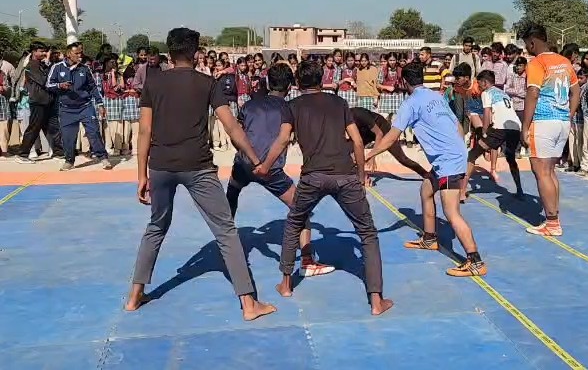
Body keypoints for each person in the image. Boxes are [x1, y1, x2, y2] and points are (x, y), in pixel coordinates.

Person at [125, 27, 276, 321]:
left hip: (161, 165)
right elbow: (231, 127)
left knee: (156, 226)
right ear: (195, 54)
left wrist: (141, 174)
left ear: (169, 53)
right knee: (225, 230)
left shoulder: (154, 83)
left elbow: (144, 130)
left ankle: (134, 296)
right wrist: (255, 158)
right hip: (198, 166)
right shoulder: (208, 83)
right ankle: (248, 304)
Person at [259, 60, 393, 316]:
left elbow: (283, 139)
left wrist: (265, 165)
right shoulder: (339, 103)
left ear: (298, 83)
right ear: (322, 79)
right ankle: (377, 300)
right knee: (367, 233)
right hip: (345, 174)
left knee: (294, 223)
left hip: (313, 176)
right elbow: (357, 141)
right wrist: (361, 175)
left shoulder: (292, 107)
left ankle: (286, 284)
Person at [366, 62, 487, 278]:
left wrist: (368, 155)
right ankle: (430, 238)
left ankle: (475, 261)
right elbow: (458, 126)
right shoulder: (436, 96)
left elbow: (391, 137)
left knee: (451, 212)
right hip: (451, 156)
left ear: (404, 81)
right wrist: (456, 149)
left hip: (448, 161)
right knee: (426, 190)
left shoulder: (410, 103)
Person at [226, 63, 335, 277]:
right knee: (301, 209)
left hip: (244, 163)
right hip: (270, 169)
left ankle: (226, 244)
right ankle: (307, 261)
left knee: (231, 196)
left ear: (268, 83)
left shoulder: (249, 105)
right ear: (290, 86)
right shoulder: (288, 108)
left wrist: (245, 154)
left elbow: (235, 134)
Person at [520, 24, 579, 237]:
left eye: (526, 45)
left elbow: (533, 93)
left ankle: (552, 223)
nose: (526, 49)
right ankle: (554, 217)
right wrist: (568, 115)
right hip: (562, 121)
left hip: (543, 121)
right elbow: (575, 91)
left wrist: (524, 126)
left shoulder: (536, 63)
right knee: (550, 171)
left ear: (532, 42)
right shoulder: (564, 62)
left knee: (541, 172)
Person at [460, 70, 524, 202]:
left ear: (484, 82)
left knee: (472, 155)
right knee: (510, 158)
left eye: (479, 84)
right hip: (515, 128)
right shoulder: (503, 93)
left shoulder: (487, 93)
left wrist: (484, 131)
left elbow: (487, 113)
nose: (478, 87)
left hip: (499, 128)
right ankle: (520, 191)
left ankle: (462, 192)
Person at [46, 43, 112, 171]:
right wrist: (60, 85)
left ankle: (103, 157)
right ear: (68, 54)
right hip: (66, 109)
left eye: (80, 53)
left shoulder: (85, 68)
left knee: (94, 132)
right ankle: (69, 160)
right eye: (76, 53)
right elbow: (48, 85)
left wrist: (100, 104)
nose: (79, 55)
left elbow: (93, 87)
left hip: (85, 106)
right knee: (68, 137)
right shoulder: (57, 67)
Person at [349, 107, 430, 182]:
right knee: (350, 152)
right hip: (366, 132)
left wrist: (372, 157)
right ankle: (361, 176)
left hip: (382, 129)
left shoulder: (360, 114)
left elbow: (379, 134)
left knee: (402, 159)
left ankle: (427, 175)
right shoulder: (344, 119)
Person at [15, 42, 63, 163]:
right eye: (41, 51)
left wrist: (48, 64)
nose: (44, 54)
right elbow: (44, 80)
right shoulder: (31, 66)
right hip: (38, 101)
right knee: (34, 128)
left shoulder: (43, 65)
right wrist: (48, 65)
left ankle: (59, 152)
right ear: (34, 52)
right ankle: (23, 154)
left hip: (49, 101)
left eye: (45, 51)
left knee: (54, 127)